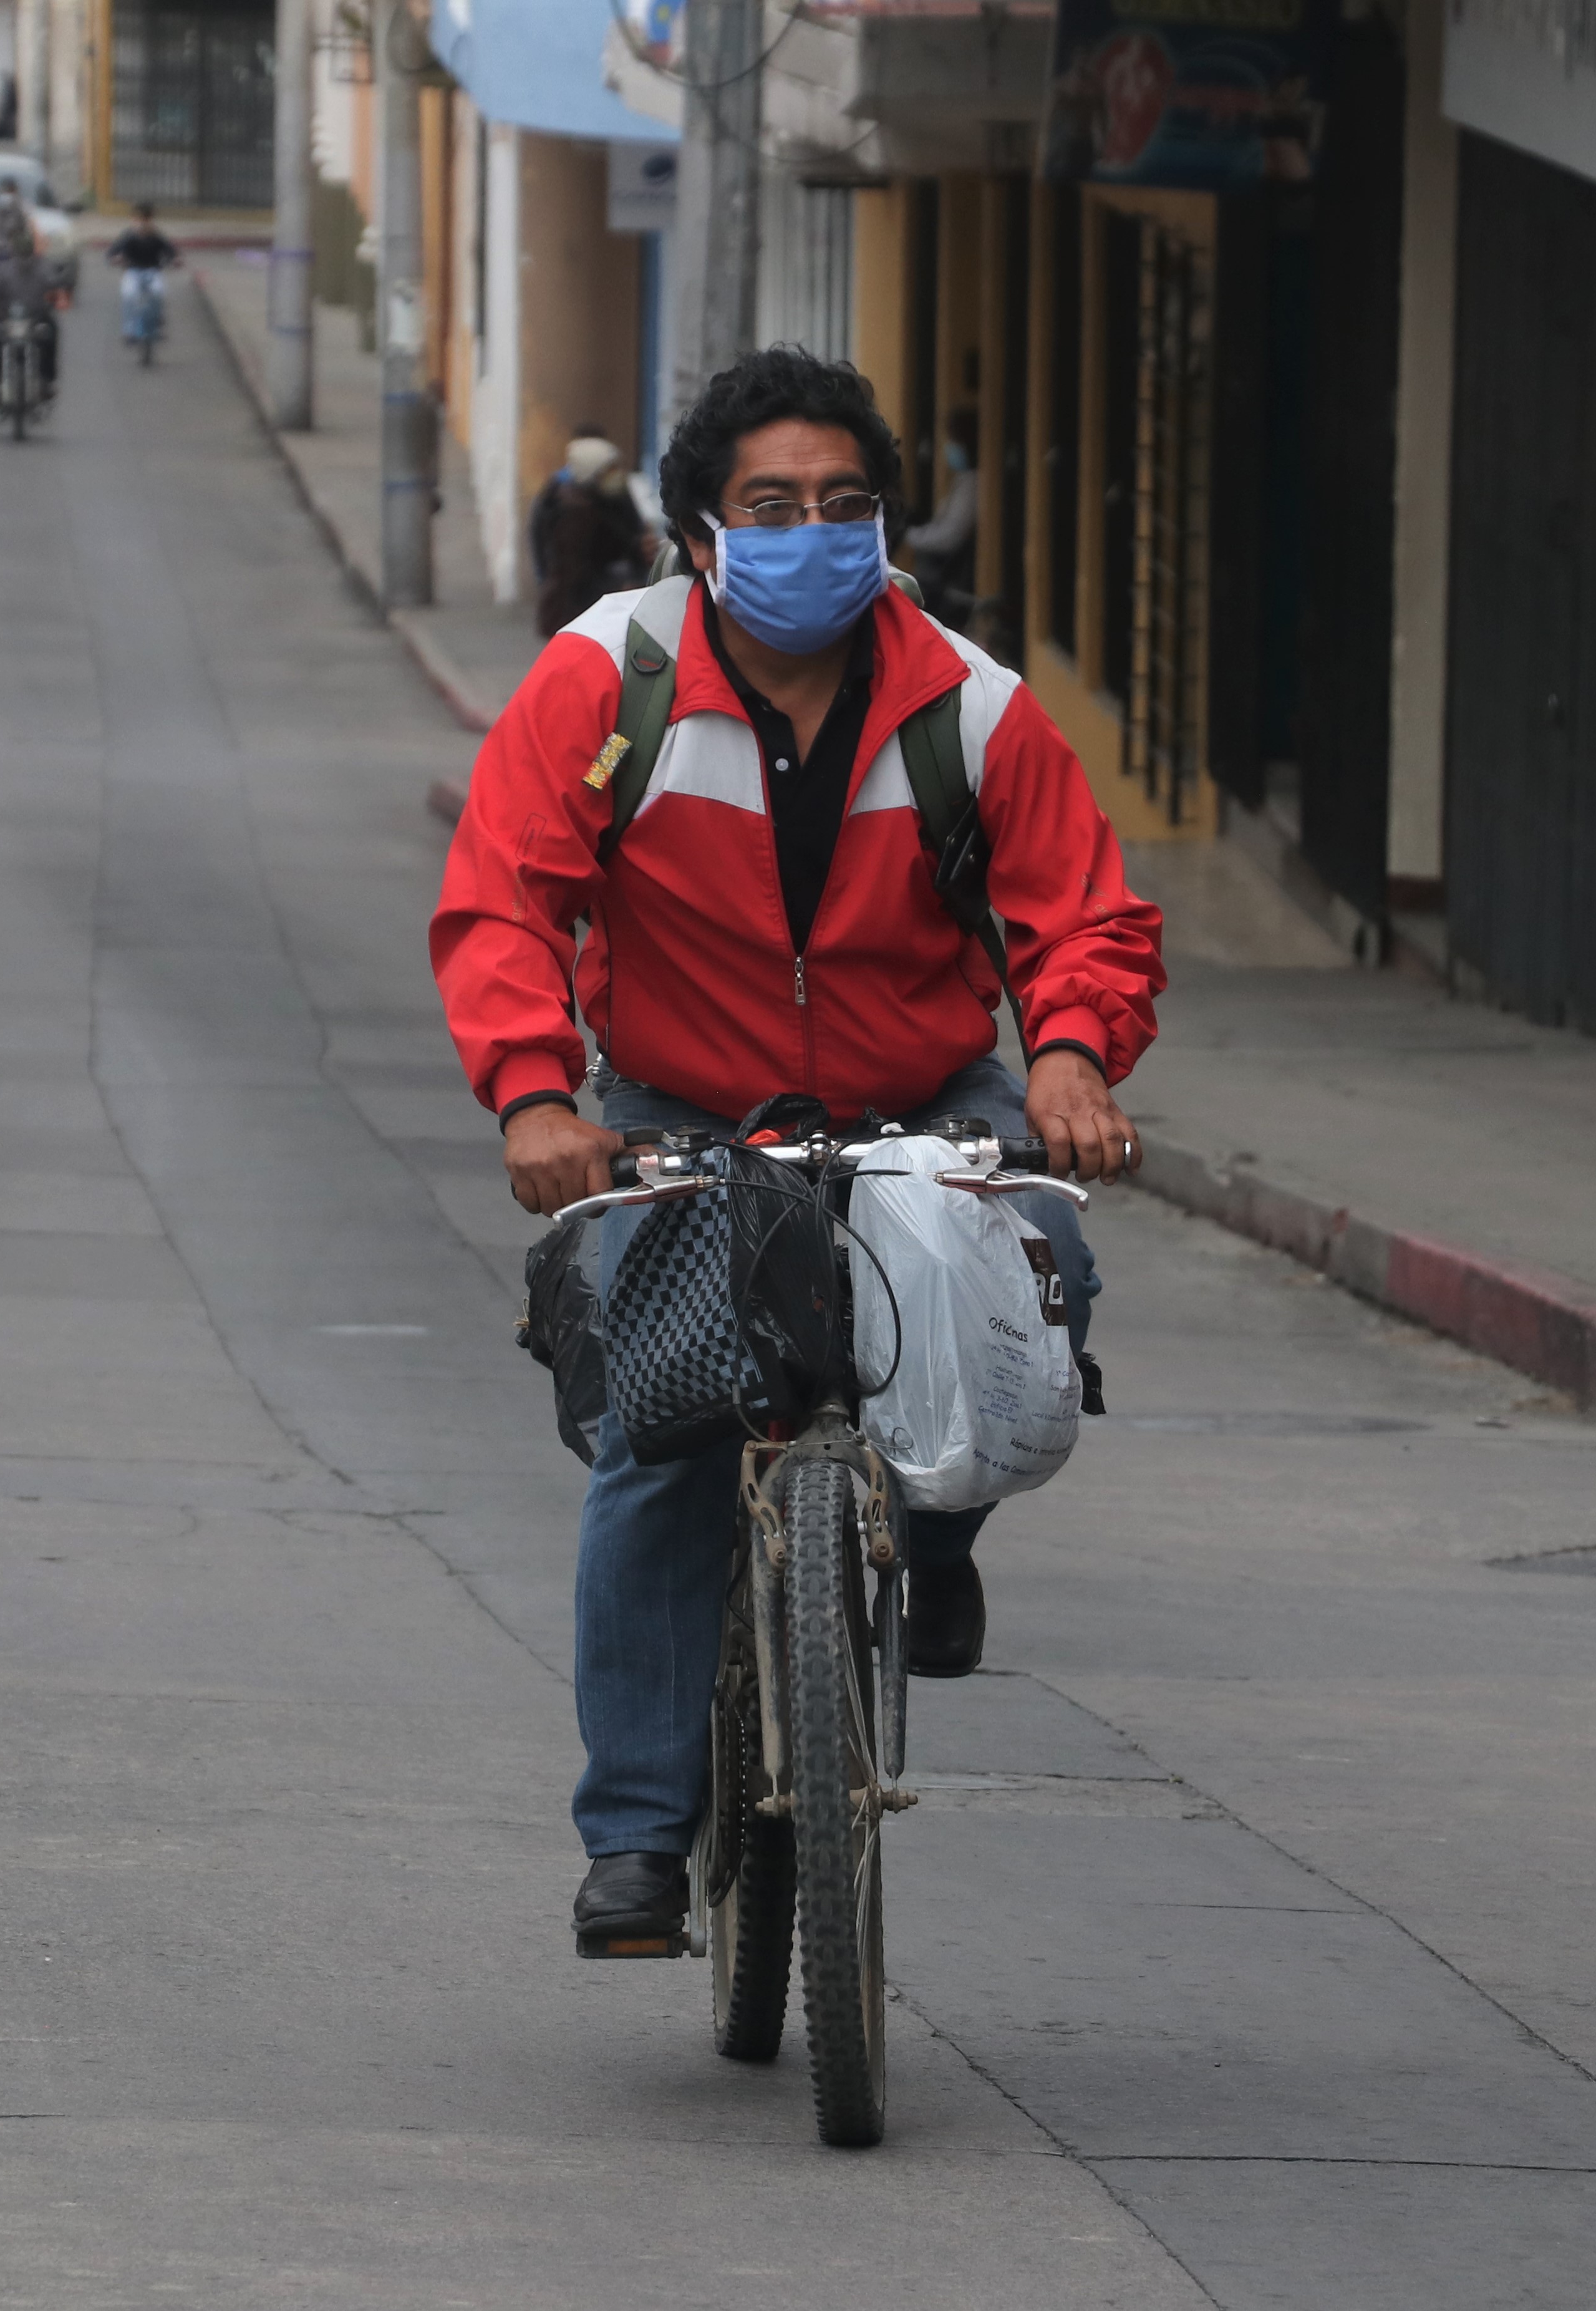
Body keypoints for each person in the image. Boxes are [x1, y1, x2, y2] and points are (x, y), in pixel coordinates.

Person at [429, 347, 1166, 1952]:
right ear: (701, 530)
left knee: (1040, 1291)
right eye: (770, 504)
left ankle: (939, 1530)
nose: (809, 531)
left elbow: (1082, 917)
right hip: (681, 1110)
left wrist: (1064, 1064)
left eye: (843, 503)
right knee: (663, 1430)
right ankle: (634, 1837)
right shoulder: (602, 677)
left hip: (924, 1090)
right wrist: (537, 1097)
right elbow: (502, 898)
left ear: (883, 524)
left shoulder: (969, 705)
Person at [527, 429, 652, 636]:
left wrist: (639, 547)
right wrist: (620, 585)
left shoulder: (614, 497)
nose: (616, 474)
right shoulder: (575, 512)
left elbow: (626, 537)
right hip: (580, 617)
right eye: (609, 470)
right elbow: (575, 577)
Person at [0, 216, 67, 402]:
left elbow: (58, 290)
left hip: (36, 318)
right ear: (14, 252)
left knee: (51, 334)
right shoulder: (1, 270)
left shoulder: (44, 269)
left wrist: (60, 301)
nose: (24, 260)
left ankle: (47, 380)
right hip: (4, 318)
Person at [901, 408, 978, 617]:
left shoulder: (974, 485)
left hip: (953, 584)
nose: (949, 447)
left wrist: (909, 536)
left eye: (954, 440)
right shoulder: (964, 479)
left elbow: (950, 537)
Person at [104, 201, 177, 344]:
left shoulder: (157, 236)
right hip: (133, 272)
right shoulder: (128, 236)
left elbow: (171, 252)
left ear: (151, 221)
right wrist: (114, 259)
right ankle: (129, 331)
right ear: (133, 220)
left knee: (158, 292)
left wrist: (175, 260)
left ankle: (156, 326)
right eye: (138, 220)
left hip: (153, 271)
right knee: (129, 295)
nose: (142, 224)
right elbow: (112, 252)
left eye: (146, 220)